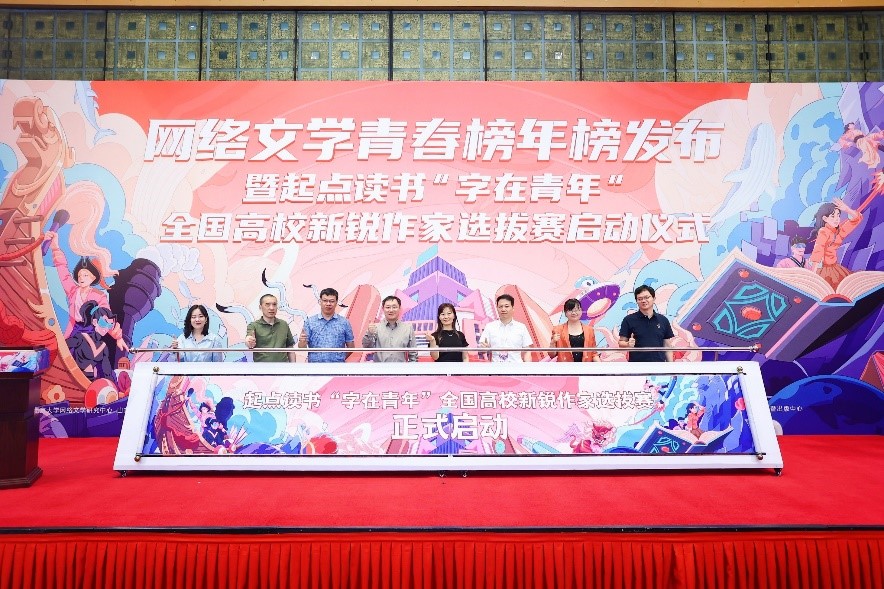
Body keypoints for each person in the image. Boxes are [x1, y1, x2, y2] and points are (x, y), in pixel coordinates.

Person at [807, 198, 863, 289]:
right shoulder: (824, 231)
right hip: (824, 270)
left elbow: (857, 219)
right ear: (825, 218)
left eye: (838, 215)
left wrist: (847, 209)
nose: (836, 219)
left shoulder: (839, 231)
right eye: (833, 216)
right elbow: (818, 250)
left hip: (835, 268)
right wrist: (813, 274)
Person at [618, 285, 675, 362]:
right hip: (637, 366)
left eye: (646, 297)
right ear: (636, 301)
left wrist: (670, 366)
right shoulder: (628, 320)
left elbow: (667, 346)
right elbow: (621, 343)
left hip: (659, 365)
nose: (643, 301)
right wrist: (628, 344)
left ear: (654, 298)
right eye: (640, 299)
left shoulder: (663, 320)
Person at [298, 288, 355, 362]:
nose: (328, 304)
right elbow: (302, 348)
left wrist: (339, 359)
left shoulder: (344, 322)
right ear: (320, 302)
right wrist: (302, 342)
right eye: (325, 300)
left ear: (336, 302)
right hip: (315, 367)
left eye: (332, 301)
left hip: (337, 367)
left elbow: (351, 347)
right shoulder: (310, 322)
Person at [362, 295, 417, 362]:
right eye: (388, 307)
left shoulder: (408, 328)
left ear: (399, 308)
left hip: (400, 368)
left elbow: (413, 354)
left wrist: (411, 368)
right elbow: (366, 347)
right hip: (380, 368)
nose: (391, 310)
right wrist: (370, 333)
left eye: (394, 307)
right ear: (383, 309)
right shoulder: (375, 328)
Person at [479, 294, 533, 362]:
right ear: (497, 308)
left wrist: (527, 367)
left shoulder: (521, 327)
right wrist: (483, 348)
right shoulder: (490, 327)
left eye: (506, 306)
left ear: (513, 308)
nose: (503, 309)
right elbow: (482, 348)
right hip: (496, 367)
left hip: (516, 367)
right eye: (500, 307)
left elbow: (527, 352)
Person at [245, 294, 297, 362]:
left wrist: (293, 367)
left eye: (274, 304)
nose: (272, 308)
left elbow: (290, 348)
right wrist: (249, 342)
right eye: (267, 304)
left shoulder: (284, 324)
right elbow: (248, 340)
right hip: (262, 367)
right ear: (260, 307)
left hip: (283, 367)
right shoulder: (253, 325)